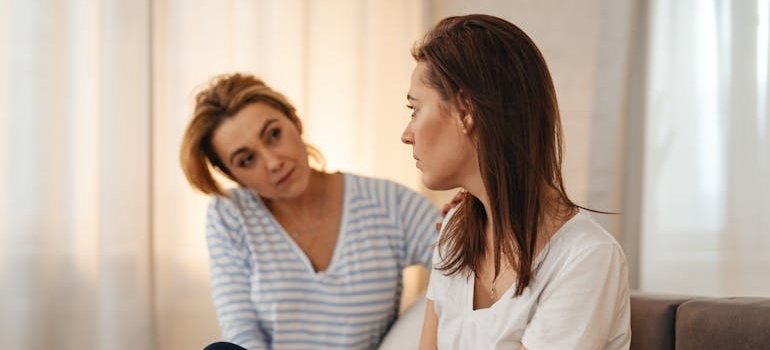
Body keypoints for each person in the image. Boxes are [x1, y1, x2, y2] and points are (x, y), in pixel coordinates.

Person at [400, 14, 631, 349]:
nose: (406, 135)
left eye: (415, 109)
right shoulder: (455, 233)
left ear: (466, 111)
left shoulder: (587, 257)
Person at [179, 73, 441, 349]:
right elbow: (241, 332)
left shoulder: (387, 202)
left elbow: (462, 259)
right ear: (233, 175)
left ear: (294, 120)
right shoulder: (231, 214)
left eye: (273, 135)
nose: (272, 162)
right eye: (246, 160)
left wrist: (469, 216)